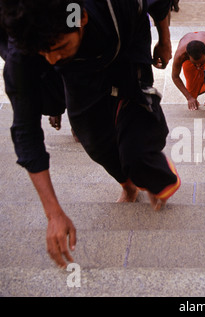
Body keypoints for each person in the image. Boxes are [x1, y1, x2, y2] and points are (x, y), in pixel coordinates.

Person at [0, 0, 180, 268]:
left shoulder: (116, 6)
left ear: (80, 18)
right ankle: (127, 183)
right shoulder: (24, 47)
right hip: (77, 71)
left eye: (59, 47)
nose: (51, 59)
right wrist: (54, 215)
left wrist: (164, 41)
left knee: (138, 142)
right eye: (44, 53)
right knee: (93, 141)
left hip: (125, 46)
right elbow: (26, 132)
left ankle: (149, 170)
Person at [171, 31, 205, 111]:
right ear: (187, 55)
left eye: (200, 63)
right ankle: (193, 99)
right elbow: (175, 76)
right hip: (187, 43)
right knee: (191, 87)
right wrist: (189, 97)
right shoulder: (180, 56)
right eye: (195, 63)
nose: (198, 66)